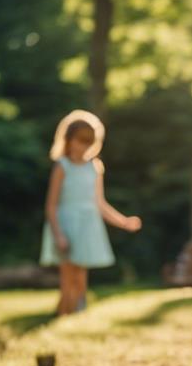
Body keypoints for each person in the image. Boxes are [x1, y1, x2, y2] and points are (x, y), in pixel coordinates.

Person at [40, 110, 141, 315]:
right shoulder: (62, 166)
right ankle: (63, 315)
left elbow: (100, 203)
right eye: (81, 140)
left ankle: (77, 313)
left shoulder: (95, 167)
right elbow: (51, 205)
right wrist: (58, 234)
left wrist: (123, 222)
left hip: (87, 226)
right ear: (69, 139)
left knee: (80, 276)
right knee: (68, 277)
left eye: (90, 140)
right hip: (66, 225)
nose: (85, 145)